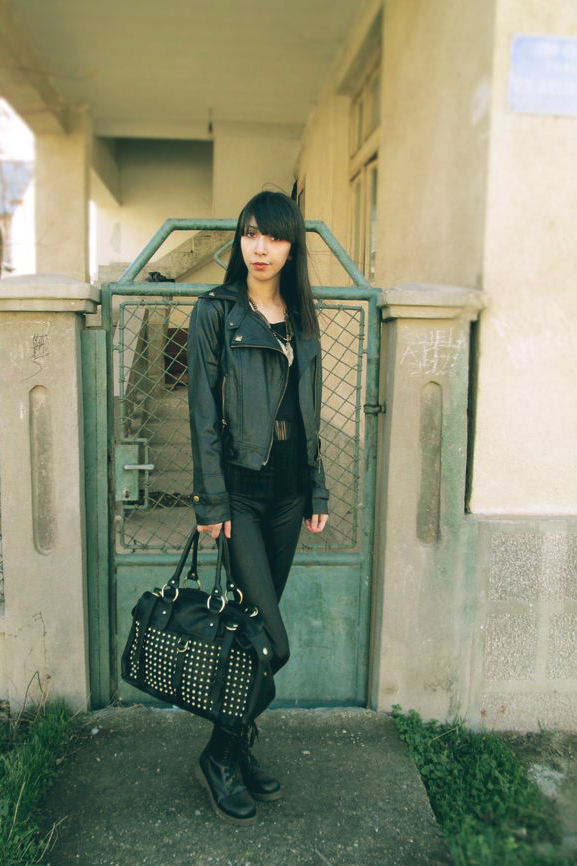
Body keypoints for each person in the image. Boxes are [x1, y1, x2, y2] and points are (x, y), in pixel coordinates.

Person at [187, 190, 329, 826]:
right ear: (239, 241)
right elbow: (201, 413)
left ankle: (235, 747)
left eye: (273, 236)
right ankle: (219, 755)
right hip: (241, 494)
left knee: (251, 636)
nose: (260, 247)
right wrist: (211, 500)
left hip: (289, 494)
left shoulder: (302, 316)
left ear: (292, 247)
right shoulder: (216, 311)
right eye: (250, 234)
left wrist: (316, 489)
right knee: (272, 642)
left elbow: (310, 409)